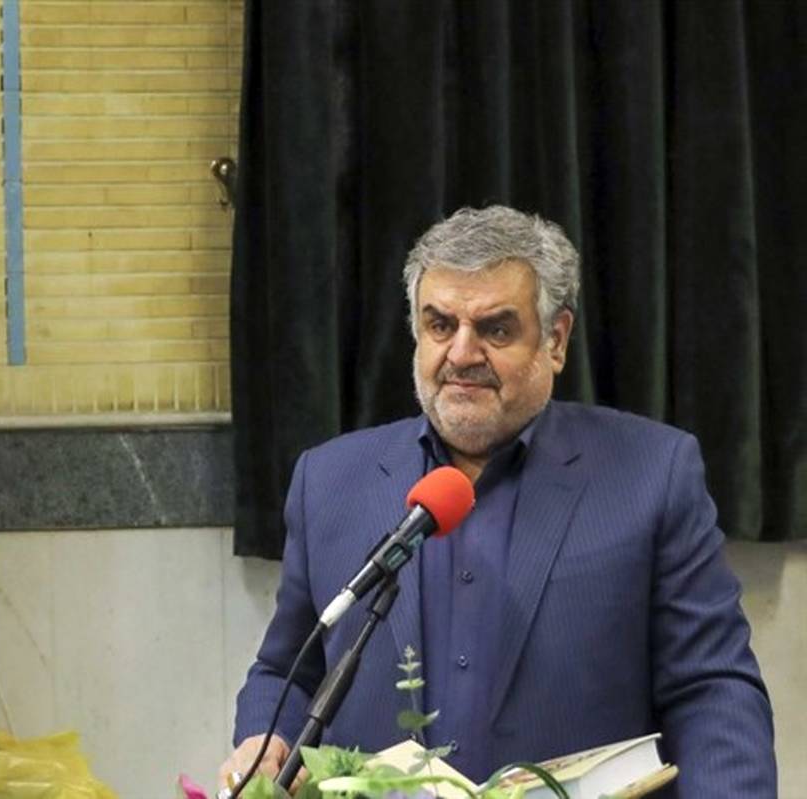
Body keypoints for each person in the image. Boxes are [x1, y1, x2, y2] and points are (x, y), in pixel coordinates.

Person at [220, 206, 776, 796]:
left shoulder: (651, 474)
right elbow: (288, 671)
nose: (462, 354)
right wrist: (265, 740)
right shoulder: (330, 481)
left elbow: (712, 690)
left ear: (555, 340)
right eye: (440, 325)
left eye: (496, 330)